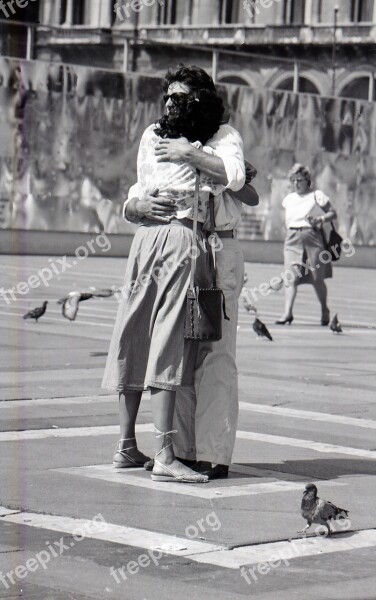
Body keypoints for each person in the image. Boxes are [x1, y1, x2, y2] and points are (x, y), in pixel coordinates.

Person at [102, 65, 247, 484]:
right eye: (168, 96)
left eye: (181, 97)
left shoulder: (221, 136)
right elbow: (138, 190)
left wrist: (188, 152)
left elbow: (236, 178)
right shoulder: (152, 134)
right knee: (150, 340)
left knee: (207, 351)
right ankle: (153, 449)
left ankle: (200, 452)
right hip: (164, 238)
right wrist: (136, 207)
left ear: (201, 99)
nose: (171, 103)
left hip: (208, 244)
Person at [276, 163, 337, 326]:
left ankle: (325, 309)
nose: (296, 183)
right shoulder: (288, 199)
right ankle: (287, 313)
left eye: (300, 180)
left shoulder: (317, 195)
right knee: (290, 277)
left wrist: (320, 219)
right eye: (293, 180)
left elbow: (333, 213)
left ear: (307, 180)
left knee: (317, 278)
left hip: (312, 237)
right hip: (292, 238)